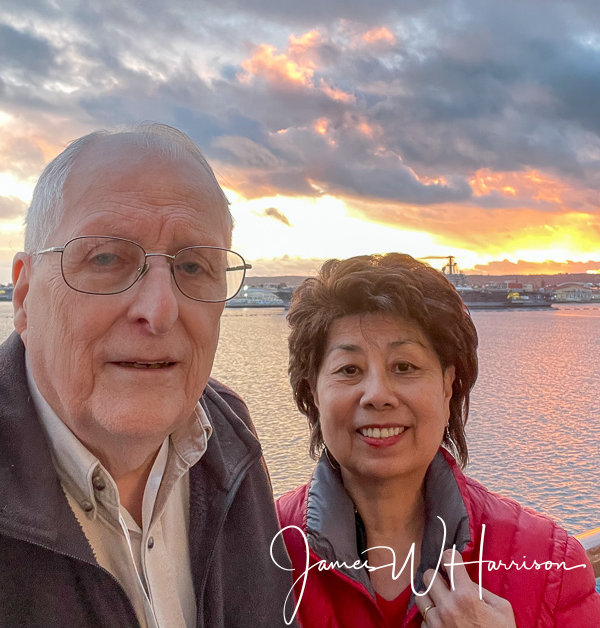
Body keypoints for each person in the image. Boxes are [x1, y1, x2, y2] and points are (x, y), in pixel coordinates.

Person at [0, 123, 297, 628]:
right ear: (26, 298)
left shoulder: (230, 437)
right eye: (108, 258)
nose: (160, 311)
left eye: (194, 267)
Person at [275, 253, 600, 628]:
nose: (377, 394)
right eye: (349, 370)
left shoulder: (550, 565)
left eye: (405, 367)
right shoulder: (252, 550)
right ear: (313, 392)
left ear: (448, 386)